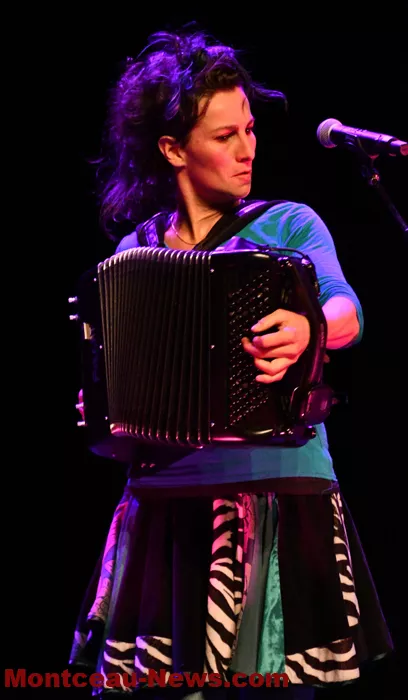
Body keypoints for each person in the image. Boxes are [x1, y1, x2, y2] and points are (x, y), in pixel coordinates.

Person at [69, 26, 393, 699]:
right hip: (164, 505)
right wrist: (104, 402)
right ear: (173, 149)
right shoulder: (135, 251)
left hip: (275, 497)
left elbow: (347, 312)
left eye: (249, 129)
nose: (248, 149)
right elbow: (120, 380)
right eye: (225, 136)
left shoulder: (289, 224)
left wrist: (309, 327)